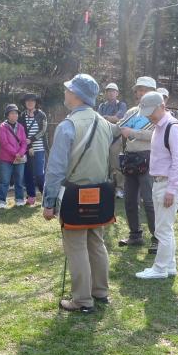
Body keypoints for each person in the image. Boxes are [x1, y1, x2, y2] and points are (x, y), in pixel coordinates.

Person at [43, 74, 117, 313]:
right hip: (100, 194)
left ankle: (82, 300)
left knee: (76, 247)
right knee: (96, 243)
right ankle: (101, 292)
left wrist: (49, 202)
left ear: (75, 95)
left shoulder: (68, 125)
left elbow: (55, 169)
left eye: (68, 89)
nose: (65, 93)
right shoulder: (105, 124)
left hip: (74, 195)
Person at [134, 92, 178, 279]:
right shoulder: (158, 127)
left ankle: (160, 268)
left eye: (151, 111)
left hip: (166, 184)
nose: (148, 115)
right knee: (164, 228)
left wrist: (171, 190)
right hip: (159, 182)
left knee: (162, 229)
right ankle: (169, 265)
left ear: (161, 106)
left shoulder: (173, 128)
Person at [118, 76, 158, 253]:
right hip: (131, 157)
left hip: (149, 157)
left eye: (143, 89)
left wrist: (133, 132)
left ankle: (157, 237)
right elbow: (120, 128)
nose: (139, 93)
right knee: (130, 200)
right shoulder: (132, 112)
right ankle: (135, 234)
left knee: (149, 200)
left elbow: (156, 135)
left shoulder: (158, 112)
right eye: (138, 90)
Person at [98, 83, 127, 199]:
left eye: (113, 91)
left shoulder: (122, 105)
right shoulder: (101, 106)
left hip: (116, 138)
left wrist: (106, 118)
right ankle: (107, 187)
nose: (110, 93)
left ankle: (120, 188)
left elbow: (118, 118)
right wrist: (109, 118)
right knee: (104, 165)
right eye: (108, 91)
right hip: (103, 138)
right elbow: (98, 120)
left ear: (117, 93)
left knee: (116, 165)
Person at [19, 93, 48, 206]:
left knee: (40, 174)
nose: (30, 103)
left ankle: (46, 195)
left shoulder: (42, 115)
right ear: (25, 103)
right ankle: (31, 196)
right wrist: (29, 146)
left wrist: (31, 140)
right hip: (26, 149)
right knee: (28, 173)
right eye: (27, 101)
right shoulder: (22, 116)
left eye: (32, 101)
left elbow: (43, 130)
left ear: (36, 102)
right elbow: (22, 132)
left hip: (39, 148)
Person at [0, 104, 27, 208]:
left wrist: (21, 153)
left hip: (19, 158)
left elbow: (24, 142)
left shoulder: (21, 127)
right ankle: (1, 201)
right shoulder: (2, 127)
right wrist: (16, 154)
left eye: (16, 113)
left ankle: (19, 199)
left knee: (19, 180)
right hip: (6, 159)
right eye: (12, 113)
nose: (15, 115)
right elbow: (4, 143)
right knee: (4, 181)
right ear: (7, 115)